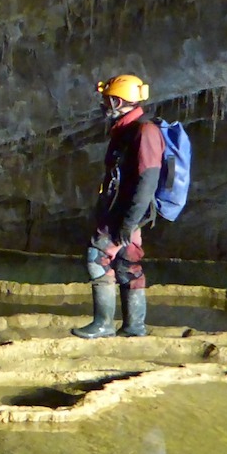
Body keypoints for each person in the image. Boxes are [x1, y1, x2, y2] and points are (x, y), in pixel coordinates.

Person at [72, 74, 164, 339]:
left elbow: (148, 179)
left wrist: (128, 221)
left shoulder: (144, 132)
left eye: (106, 100)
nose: (104, 105)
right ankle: (134, 327)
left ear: (117, 100)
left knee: (98, 257)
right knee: (126, 264)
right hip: (125, 211)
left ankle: (102, 325)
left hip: (127, 214)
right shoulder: (126, 131)